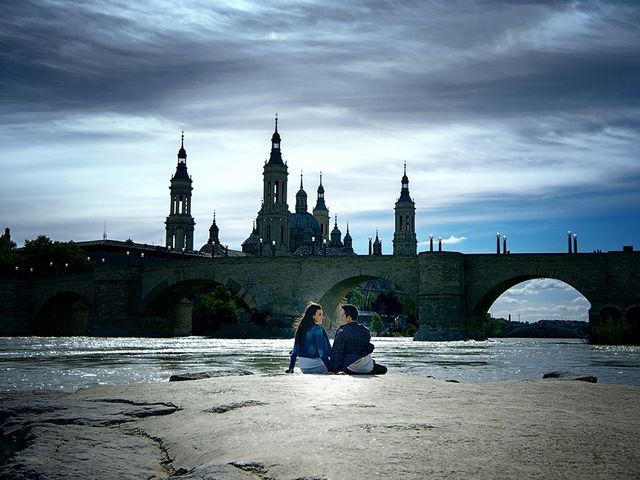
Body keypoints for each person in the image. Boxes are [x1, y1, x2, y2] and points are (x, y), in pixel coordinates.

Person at [329, 304, 387, 375]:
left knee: (347, 366)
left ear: (349, 318)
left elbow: (337, 353)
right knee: (384, 369)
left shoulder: (342, 331)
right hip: (367, 365)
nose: (340, 317)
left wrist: (334, 370)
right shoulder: (366, 330)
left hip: (351, 366)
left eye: (343, 315)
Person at [286, 302, 332, 374]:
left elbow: (294, 352)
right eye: (320, 314)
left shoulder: (300, 329)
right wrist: (331, 369)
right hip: (316, 366)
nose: (322, 317)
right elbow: (322, 353)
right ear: (313, 316)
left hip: (303, 367)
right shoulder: (318, 330)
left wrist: (291, 369)